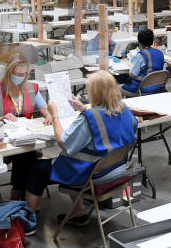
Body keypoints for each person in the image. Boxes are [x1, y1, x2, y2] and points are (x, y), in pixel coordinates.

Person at [41, 70, 138, 225]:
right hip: (119, 168)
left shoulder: (89, 118)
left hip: (95, 175)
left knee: (49, 164)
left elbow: (64, 143)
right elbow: (107, 123)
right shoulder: (125, 109)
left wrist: (54, 116)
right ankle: (77, 211)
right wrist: (83, 109)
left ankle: (77, 211)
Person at [0, 54, 52, 209]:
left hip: (24, 133)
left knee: (27, 151)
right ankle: (24, 192)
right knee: (28, 154)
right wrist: (1, 118)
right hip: (2, 138)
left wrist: (47, 114)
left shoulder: (31, 88)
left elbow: (42, 107)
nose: (20, 78)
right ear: (9, 73)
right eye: (17, 74)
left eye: (23, 75)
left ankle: (21, 192)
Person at [121, 29, 166, 94]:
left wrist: (133, 64)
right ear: (152, 40)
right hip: (158, 87)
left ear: (139, 42)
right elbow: (163, 71)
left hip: (141, 88)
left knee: (118, 88)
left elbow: (133, 74)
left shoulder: (141, 55)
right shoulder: (160, 53)